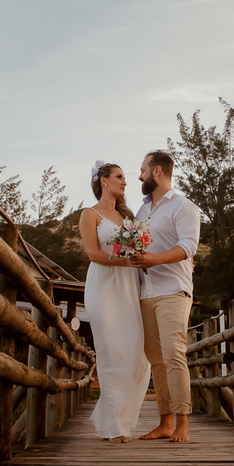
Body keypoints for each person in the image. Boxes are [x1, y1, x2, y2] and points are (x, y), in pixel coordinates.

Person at [78, 160, 152, 443]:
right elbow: (93, 254)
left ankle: (115, 413)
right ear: (104, 181)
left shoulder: (129, 217)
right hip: (104, 286)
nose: (125, 182)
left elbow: (145, 250)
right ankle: (115, 424)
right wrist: (123, 260)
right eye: (120, 177)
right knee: (110, 350)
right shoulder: (90, 214)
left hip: (130, 288)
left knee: (135, 355)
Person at [131, 150, 201, 443]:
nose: (140, 176)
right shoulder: (142, 211)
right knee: (156, 360)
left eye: (143, 170)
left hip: (174, 290)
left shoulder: (183, 206)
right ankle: (165, 423)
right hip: (146, 292)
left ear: (157, 171)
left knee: (174, 354)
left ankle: (183, 424)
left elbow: (189, 246)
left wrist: (155, 259)